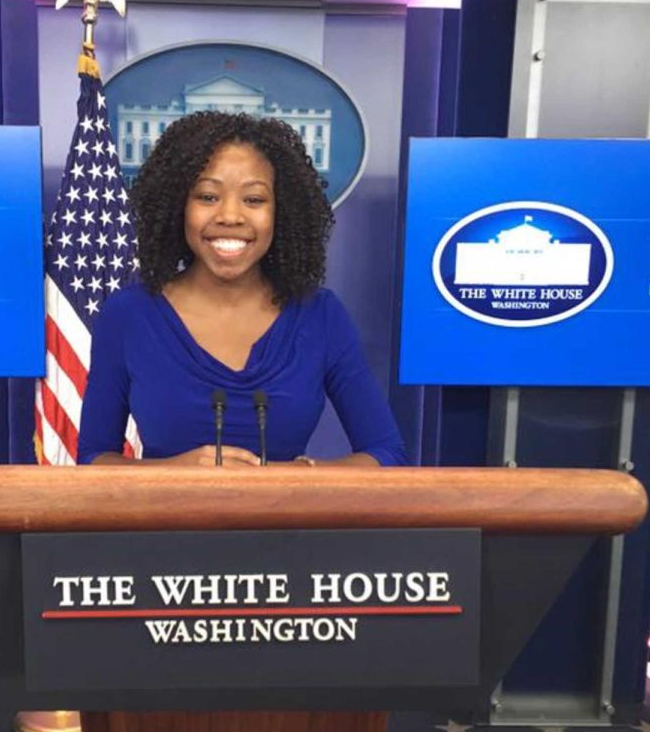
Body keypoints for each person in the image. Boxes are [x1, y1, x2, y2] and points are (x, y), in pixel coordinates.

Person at [77, 111, 406, 468]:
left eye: (253, 200)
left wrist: (296, 478)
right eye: (207, 196)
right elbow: (95, 457)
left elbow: (386, 454)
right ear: (178, 207)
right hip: (165, 524)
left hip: (285, 522)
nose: (230, 216)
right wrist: (175, 472)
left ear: (282, 212)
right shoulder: (129, 314)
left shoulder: (320, 315)